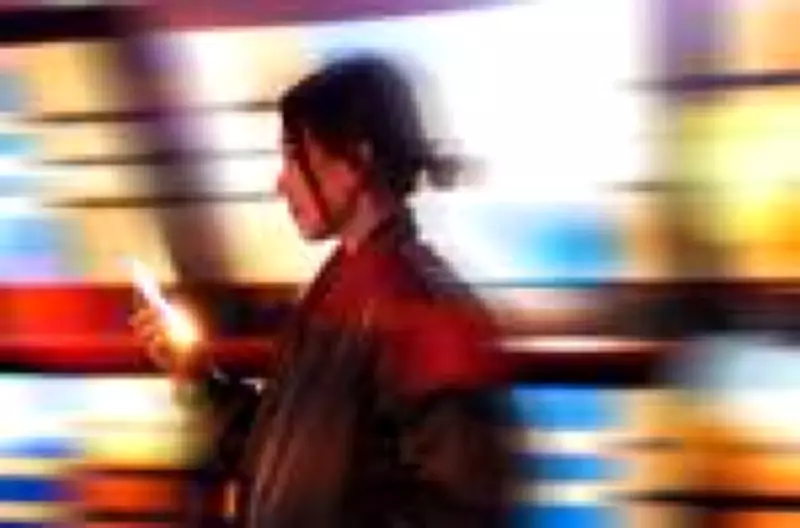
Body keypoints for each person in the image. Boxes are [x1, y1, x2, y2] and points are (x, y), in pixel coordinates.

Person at [132, 54, 513, 527]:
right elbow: (278, 459)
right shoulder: (338, 296)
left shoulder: (419, 309)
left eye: (295, 157)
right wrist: (195, 378)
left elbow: (461, 505)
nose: (281, 182)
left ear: (356, 161)